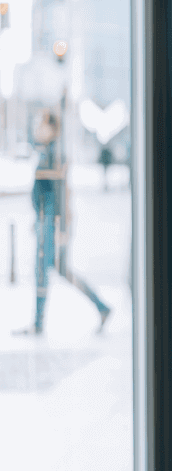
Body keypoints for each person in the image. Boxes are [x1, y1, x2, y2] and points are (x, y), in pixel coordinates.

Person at [14, 108, 111, 336]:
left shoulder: (53, 153)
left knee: (44, 271)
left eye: (40, 124)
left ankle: (39, 323)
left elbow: (59, 192)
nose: (37, 128)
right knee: (57, 269)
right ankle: (100, 307)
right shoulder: (48, 151)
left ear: (52, 127)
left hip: (50, 222)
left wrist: (58, 225)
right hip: (46, 221)